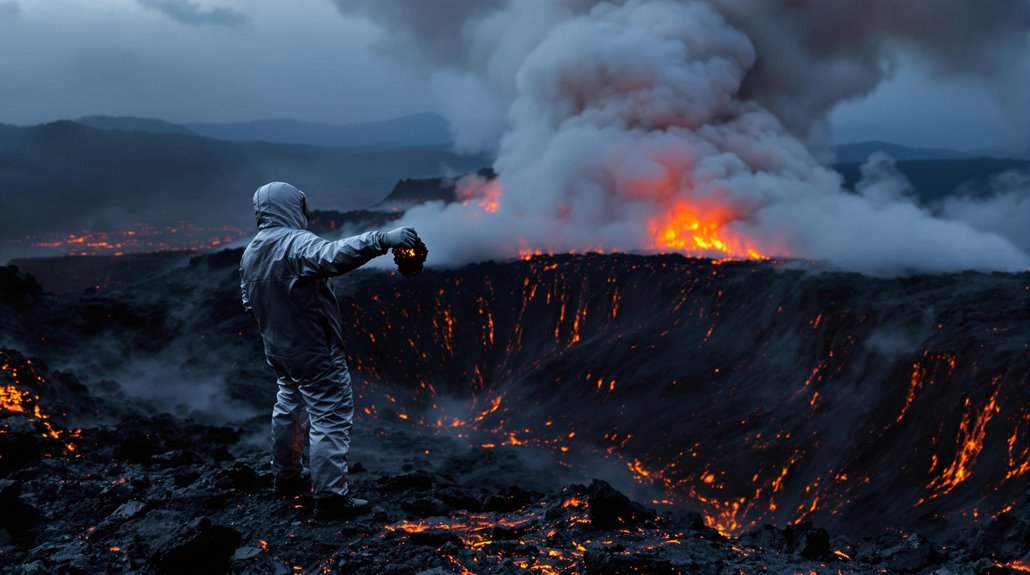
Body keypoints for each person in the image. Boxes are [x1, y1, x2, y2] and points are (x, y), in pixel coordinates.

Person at [239, 181, 417, 520]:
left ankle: (287, 478)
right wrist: (382, 240)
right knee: (329, 417)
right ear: (294, 206)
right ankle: (331, 499)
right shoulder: (295, 243)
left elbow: (250, 304)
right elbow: (334, 257)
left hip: (277, 349)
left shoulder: (251, 252)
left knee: (288, 406)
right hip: (314, 349)